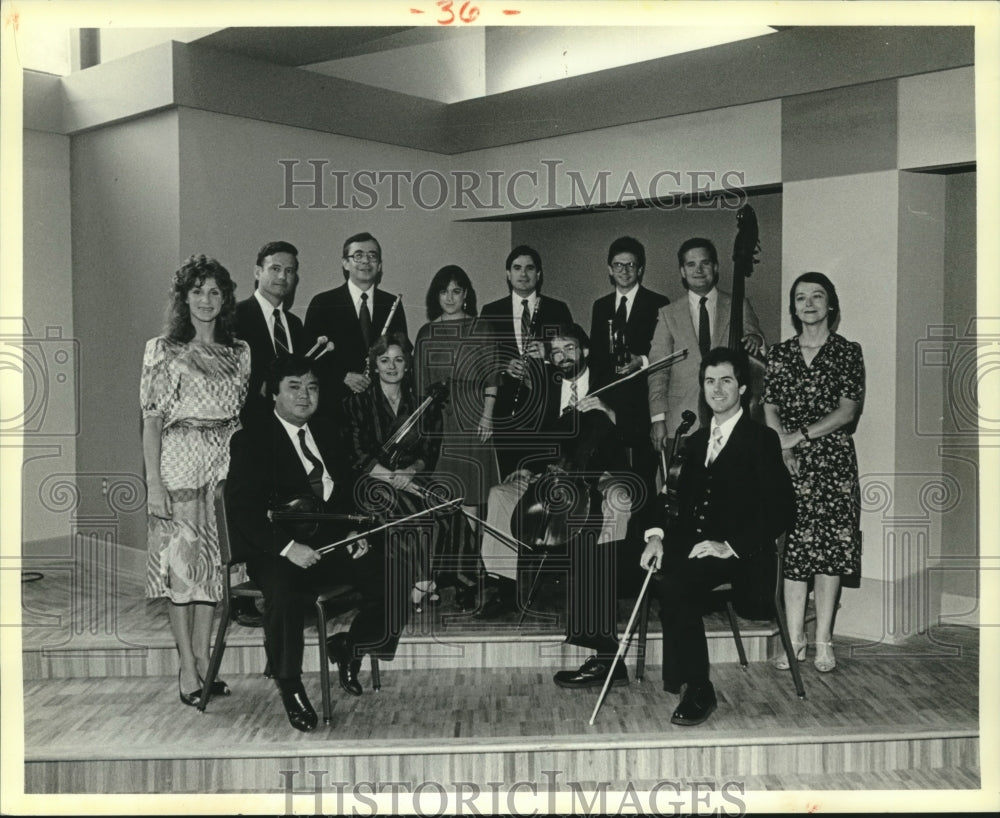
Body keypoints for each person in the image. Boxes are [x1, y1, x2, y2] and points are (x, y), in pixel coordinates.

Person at [225, 355, 408, 732]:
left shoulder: (326, 430)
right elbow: (242, 512)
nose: (305, 396)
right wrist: (288, 548)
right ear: (273, 392)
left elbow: (345, 492)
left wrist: (355, 531)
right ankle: (290, 685)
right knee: (285, 594)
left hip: (329, 543)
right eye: (294, 387)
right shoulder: (252, 440)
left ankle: (351, 647)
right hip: (274, 549)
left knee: (394, 572)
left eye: (312, 387)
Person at [640, 347, 795, 726]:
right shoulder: (694, 441)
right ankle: (673, 677)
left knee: (677, 581)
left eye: (726, 380)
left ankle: (697, 687)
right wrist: (656, 537)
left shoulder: (761, 440)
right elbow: (668, 497)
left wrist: (731, 546)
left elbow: (781, 509)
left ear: (742, 387)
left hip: (744, 557)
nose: (717, 389)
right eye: (710, 381)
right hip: (696, 546)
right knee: (648, 565)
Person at [140, 255, 250, 708]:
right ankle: (186, 665)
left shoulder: (241, 352)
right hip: (179, 462)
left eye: (214, 292)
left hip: (223, 466)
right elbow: (150, 421)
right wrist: (154, 483)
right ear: (184, 298)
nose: (206, 301)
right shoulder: (162, 349)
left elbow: (240, 419)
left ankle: (205, 662)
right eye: (198, 291)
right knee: (182, 571)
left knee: (215, 571)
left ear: (224, 300)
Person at [477, 324, 633, 627]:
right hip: (555, 474)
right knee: (500, 495)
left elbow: (636, 433)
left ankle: (603, 592)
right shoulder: (547, 386)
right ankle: (506, 587)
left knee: (619, 499)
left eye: (569, 348)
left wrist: (609, 412)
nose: (562, 357)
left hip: (599, 473)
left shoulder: (610, 382)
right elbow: (536, 438)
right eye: (556, 352)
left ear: (585, 350)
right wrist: (527, 467)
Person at [763, 272, 864, 674]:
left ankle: (823, 639)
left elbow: (847, 410)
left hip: (833, 462)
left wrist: (797, 436)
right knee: (794, 555)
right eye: (801, 297)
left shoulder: (847, 352)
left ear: (831, 305)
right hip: (788, 462)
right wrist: (780, 445)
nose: (808, 304)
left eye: (817, 296)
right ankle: (794, 639)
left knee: (828, 554)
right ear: (793, 308)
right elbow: (769, 406)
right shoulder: (779, 353)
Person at [344, 334, 480, 613]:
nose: (391, 366)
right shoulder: (357, 404)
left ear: (408, 365)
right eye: (384, 360)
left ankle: (464, 583)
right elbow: (358, 455)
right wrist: (394, 479)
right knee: (415, 516)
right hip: (372, 483)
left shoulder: (423, 405)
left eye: (398, 359)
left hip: (411, 477)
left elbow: (428, 452)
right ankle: (421, 583)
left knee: (451, 512)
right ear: (375, 365)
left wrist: (410, 471)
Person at [413, 265, 496, 609]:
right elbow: (419, 388)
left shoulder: (481, 327)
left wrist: (488, 415)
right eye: (444, 291)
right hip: (440, 426)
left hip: (474, 419)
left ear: (467, 295)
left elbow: (492, 376)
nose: (450, 298)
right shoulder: (426, 333)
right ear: (436, 296)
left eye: (457, 291)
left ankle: (474, 578)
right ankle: (450, 575)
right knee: (446, 503)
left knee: (474, 504)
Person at [648, 237, 764, 450]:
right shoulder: (667, 314)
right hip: (682, 419)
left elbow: (756, 343)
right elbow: (658, 370)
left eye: (705, 263)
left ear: (716, 267)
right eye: (691, 264)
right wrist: (657, 418)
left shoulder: (738, 305)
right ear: (682, 271)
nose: (698, 270)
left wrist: (756, 340)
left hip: (730, 417)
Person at [477, 245, 573, 479]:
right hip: (506, 412)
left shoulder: (557, 309)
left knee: (544, 482)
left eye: (530, 268)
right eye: (517, 268)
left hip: (547, 412)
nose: (523, 274)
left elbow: (576, 354)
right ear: (508, 274)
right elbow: (482, 359)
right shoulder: (491, 311)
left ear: (539, 275)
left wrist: (549, 351)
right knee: (510, 480)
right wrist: (504, 366)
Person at [589, 235, 670, 511]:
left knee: (642, 482)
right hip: (608, 405)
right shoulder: (600, 307)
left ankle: (645, 537)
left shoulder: (659, 303)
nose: (624, 271)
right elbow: (597, 360)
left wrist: (642, 360)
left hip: (642, 404)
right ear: (609, 270)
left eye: (630, 265)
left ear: (641, 269)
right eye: (618, 265)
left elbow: (663, 353)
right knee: (613, 479)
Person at [304, 232, 409, 415]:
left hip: (381, 408)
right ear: (345, 263)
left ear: (380, 265)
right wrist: (342, 377)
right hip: (336, 407)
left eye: (372, 256)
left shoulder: (393, 304)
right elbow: (309, 358)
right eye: (358, 255)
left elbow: (403, 353)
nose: (365, 261)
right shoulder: (323, 303)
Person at [234, 240, 305, 427]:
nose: (282, 276)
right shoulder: (234, 317)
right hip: (248, 426)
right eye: (275, 269)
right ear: (258, 272)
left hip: (290, 426)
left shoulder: (296, 325)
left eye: (289, 271)